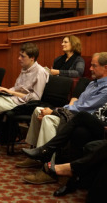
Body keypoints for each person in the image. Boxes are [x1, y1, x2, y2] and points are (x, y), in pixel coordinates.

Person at [16, 52, 107, 181]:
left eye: (94, 66)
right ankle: (36, 154)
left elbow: (83, 108)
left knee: (48, 119)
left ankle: (47, 165)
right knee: (38, 110)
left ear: (106, 67)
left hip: (84, 118)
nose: (90, 68)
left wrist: (56, 111)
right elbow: (77, 103)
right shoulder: (93, 83)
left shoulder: (105, 88)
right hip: (74, 112)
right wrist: (58, 110)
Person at [21, 110, 107, 194]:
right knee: (80, 132)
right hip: (99, 121)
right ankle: (72, 181)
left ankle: (47, 151)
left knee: (82, 115)